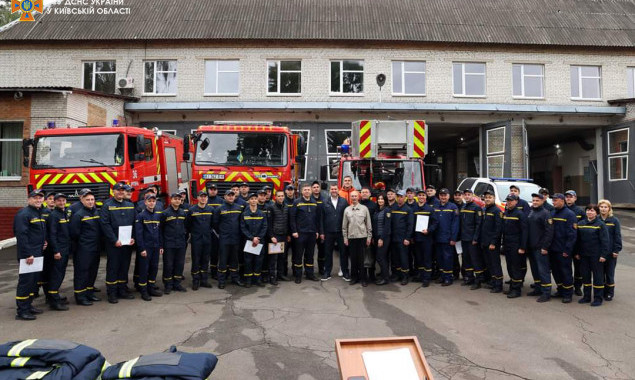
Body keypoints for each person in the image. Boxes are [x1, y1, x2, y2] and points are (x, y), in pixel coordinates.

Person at [14, 189, 47, 320]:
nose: (38, 200)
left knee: (33, 282)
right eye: (35, 198)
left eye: (40, 198)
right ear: (29, 199)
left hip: (37, 252)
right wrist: (28, 254)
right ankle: (21, 311)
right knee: (26, 282)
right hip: (28, 255)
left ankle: (28, 306)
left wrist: (43, 242)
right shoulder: (24, 214)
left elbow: (38, 232)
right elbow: (21, 235)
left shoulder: (39, 213)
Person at [100, 182, 136, 303]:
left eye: (123, 190)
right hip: (114, 244)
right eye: (118, 190)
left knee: (124, 266)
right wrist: (114, 240)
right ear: (113, 191)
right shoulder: (107, 205)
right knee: (113, 267)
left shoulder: (130, 205)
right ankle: (112, 293)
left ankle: (122, 290)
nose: (121, 192)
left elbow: (134, 223)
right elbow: (105, 224)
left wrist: (133, 238)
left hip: (127, 243)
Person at [69, 189, 102, 306]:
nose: (90, 202)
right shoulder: (78, 215)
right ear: (82, 201)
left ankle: (89, 293)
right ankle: (80, 296)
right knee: (82, 273)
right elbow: (74, 233)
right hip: (83, 249)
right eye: (87, 200)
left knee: (92, 271)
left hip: (95, 248)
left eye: (92, 199)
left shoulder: (96, 212)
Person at [576, 204, 610, 306]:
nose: (589, 212)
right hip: (583, 256)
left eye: (592, 211)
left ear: (596, 213)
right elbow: (578, 241)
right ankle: (586, 297)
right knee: (585, 277)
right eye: (588, 210)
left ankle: (598, 298)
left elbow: (605, 241)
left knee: (598, 277)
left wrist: (603, 255)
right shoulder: (581, 223)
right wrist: (577, 252)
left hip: (596, 256)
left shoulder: (600, 224)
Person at [289, 184, 322, 283]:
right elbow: (292, 218)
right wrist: (294, 231)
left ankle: (310, 274)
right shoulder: (297, 202)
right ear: (302, 192)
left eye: (308, 189)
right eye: (305, 190)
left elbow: (317, 219)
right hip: (300, 233)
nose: (307, 191)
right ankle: (298, 275)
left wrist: (317, 231)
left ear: (311, 191)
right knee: (299, 255)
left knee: (310, 255)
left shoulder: (314, 202)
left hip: (311, 233)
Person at [135, 193, 164, 301]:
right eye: (149, 201)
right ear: (145, 202)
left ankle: (151, 288)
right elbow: (139, 234)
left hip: (156, 247)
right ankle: (144, 291)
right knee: (144, 269)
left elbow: (159, 231)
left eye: (153, 201)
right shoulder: (141, 216)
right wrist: (141, 249)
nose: (151, 203)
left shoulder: (157, 215)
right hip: (146, 248)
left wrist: (161, 245)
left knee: (154, 268)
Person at [549, 193, 578, 303]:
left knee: (565, 272)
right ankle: (560, 290)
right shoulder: (552, 212)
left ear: (562, 201)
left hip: (563, 250)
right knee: (556, 272)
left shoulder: (570, 214)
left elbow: (572, 235)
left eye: (555, 200)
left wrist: (567, 250)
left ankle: (568, 294)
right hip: (553, 249)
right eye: (553, 200)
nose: (553, 202)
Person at [526, 193, 554, 302]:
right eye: (533, 200)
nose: (535, 202)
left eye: (537, 200)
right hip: (532, 247)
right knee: (535, 270)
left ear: (542, 201)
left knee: (543, 271)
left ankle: (546, 293)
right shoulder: (531, 211)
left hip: (540, 248)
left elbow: (549, 232)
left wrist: (545, 247)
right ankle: (538, 288)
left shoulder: (546, 213)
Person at [45, 193, 71, 311]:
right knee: (56, 275)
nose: (62, 202)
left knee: (60, 274)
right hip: (59, 251)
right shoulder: (54, 215)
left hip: (64, 249)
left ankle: (55, 296)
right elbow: (52, 235)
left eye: (63, 200)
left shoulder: (63, 213)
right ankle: (54, 301)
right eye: (59, 201)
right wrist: (56, 251)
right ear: (54, 202)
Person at [214, 189, 245, 289]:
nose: (231, 197)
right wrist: (222, 233)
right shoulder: (219, 209)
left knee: (234, 259)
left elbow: (241, 223)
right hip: (224, 239)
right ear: (225, 197)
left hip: (236, 238)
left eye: (232, 195)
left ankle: (235, 278)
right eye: (229, 195)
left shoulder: (239, 208)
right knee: (223, 260)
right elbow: (215, 224)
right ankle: (221, 280)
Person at [342, 191, 373, 286]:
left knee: (362, 259)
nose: (354, 197)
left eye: (355, 196)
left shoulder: (364, 209)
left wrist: (369, 237)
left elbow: (368, 224)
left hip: (362, 237)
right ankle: (354, 278)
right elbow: (344, 225)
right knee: (353, 259)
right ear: (350, 198)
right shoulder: (347, 209)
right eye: (352, 196)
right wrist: (345, 238)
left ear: (358, 197)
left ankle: (363, 279)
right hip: (351, 238)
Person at [502, 194, 529, 298]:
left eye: (511, 201)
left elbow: (524, 232)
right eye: (507, 200)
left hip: (516, 245)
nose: (509, 202)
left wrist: (522, 247)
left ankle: (516, 290)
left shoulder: (520, 214)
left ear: (516, 202)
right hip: (508, 244)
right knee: (509, 267)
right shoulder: (506, 212)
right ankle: (512, 287)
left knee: (515, 268)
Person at [161, 192, 188, 294]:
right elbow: (161, 229)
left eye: (179, 199)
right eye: (175, 198)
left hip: (181, 243)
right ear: (171, 200)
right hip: (169, 243)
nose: (177, 200)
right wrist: (162, 243)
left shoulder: (183, 213)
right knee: (168, 265)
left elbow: (186, 227)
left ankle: (177, 284)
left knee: (179, 264)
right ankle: (168, 285)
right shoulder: (165, 213)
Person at [186, 191, 214, 290]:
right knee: (196, 260)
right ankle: (196, 280)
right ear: (197, 198)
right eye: (201, 197)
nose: (203, 199)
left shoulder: (211, 209)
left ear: (207, 198)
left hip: (207, 239)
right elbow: (188, 224)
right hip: (196, 239)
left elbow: (213, 224)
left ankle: (204, 280)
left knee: (205, 260)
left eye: (205, 197)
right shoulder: (192, 210)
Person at [240, 193, 268, 287]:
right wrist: (252, 238)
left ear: (257, 200)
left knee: (258, 261)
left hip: (259, 241)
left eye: (255, 199)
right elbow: (243, 228)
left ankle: (257, 279)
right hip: (248, 241)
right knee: (248, 261)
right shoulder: (244, 214)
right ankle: (248, 280)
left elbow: (265, 227)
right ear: (248, 201)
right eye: (251, 199)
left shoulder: (262, 214)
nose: (253, 200)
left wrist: (258, 237)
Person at [412, 190, 438, 287]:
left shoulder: (430, 209)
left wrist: (429, 230)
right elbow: (411, 224)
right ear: (417, 197)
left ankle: (427, 278)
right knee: (419, 258)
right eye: (420, 195)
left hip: (427, 238)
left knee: (427, 258)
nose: (421, 197)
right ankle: (421, 276)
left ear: (426, 197)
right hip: (417, 238)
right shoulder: (414, 209)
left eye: (423, 195)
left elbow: (435, 223)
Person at [322, 184, 348, 281]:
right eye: (332, 189)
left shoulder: (344, 201)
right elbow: (321, 218)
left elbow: (347, 216)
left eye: (335, 189)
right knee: (328, 253)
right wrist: (322, 232)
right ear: (330, 190)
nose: (333, 190)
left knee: (344, 252)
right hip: (328, 231)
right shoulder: (325, 202)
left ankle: (345, 272)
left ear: (338, 190)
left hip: (341, 231)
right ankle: (327, 272)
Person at [479, 190, 504, 293]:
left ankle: (498, 285)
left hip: (492, 244)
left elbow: (498, 229)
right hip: (485, 242)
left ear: (494, 198)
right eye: (486, 197)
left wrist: (493, 243)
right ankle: (493, 282)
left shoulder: (496, 211)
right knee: (489, 264)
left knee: (495, 264)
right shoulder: (484, 209)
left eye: (490, 197)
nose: (488, 199)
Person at [597, 199, 621, 301]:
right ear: (598, 208)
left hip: (611, 252)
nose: (603, 209)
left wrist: (616, 250)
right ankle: (601, 292)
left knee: (609, 273)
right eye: (601, 207)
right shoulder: (596, 220)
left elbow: (617, 236)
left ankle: (609, 293)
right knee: (600, 273)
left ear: (609, 208)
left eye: (605, 207)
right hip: (599, 252)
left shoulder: (614, 221)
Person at [390, 190, 414, 285]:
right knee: (395, 258)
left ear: (405, 197)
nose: (399, 198)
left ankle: (405, 276)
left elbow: (410, 225)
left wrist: (407, 238)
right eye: (398, 196)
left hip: (403, 239)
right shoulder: (393, 208)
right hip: (394, 238)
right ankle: (397, 274)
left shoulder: (408, 209)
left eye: (401, 196)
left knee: (404, 258)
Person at [459, 189, 481, 287]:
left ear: (472, 196)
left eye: (469, 194)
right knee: (466, 259)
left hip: (472, 239)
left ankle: (478, 281)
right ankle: (469, 278)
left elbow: (478, 224)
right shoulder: (463, 206)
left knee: (475, 260)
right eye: (465, 194)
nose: (467, 196)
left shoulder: (476, 208)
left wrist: (475, 238)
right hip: (464, 238)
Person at [565, 190, 585, 296]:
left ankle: (577, 287)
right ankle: (567, 286)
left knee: (578, 269)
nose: (568, 198)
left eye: (571, 197)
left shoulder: (580, 211)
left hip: (577, 244)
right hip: (566, 244)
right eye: (567, 197)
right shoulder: (561, 210)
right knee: (566, 268)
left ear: (575, 198)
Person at [268, 190, 290, 285]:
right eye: (279, 196)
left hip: (284, 235)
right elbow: (269, 224)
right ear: (275, 197)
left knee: (282, 257)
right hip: (275, 236)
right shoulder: (271, 207)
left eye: (282, 196)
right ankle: (272, 277)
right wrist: (272, 236)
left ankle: (280, 275)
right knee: (273, 258)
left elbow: (288, 222)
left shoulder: (286, 207)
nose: (281, 197)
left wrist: (288, 234)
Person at [359, 187, 378, 282]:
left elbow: (376, 221)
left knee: (371, 256)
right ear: (360, 194)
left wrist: (373, 236)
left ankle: (371, 275)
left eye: (366, 192)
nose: (365, 194)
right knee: (361, 255)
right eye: (363, 192)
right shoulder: (357, 204)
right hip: (360, 234)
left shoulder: (374, 205)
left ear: (370, 194)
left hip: (371, 234)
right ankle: (363, 276)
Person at [373, 194, 392, 285]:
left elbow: (387, 226)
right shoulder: (377, 210)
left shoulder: (387, 210)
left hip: (383, 238)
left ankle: (385, 278)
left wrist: (381, 239)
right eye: (379, 199)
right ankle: (384, 275)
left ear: (385, 200)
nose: (380, 200)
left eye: (382, 199)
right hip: (377, 237)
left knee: (380, 257)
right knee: (382, 257)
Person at [207, 184, 223, 280]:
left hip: (217, 231)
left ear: (217, 191)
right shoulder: (205, 199)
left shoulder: (221, 201)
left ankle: (215, 272)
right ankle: (209, 270)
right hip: (207, 230)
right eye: (211, 189)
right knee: (208, 253)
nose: (213, 191)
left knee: (216, 252)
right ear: (208, 190)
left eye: (214, 189)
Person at [311, 181, 327, 275]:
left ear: (320, 188)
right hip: (312, 229)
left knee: (322, 251)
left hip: (322, 229)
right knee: (310, 251)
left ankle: (321, 269)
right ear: (312, 189)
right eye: (314, 187)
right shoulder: (309, 200)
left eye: (317, 187)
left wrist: (322, 231)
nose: (316, 188)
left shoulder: (325, 199)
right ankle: (310, 270)